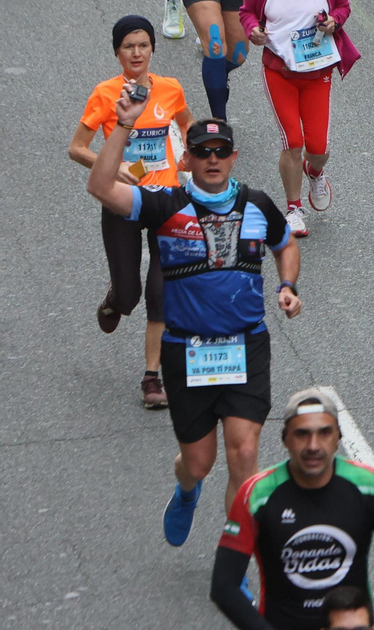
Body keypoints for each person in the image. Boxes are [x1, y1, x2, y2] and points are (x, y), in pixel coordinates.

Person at [87, 110, 300, 547]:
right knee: (198, 463)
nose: (213, 159)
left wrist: (288, 285)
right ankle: (187, 491)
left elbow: (285, 243)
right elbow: (101, 187)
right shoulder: (164, 202)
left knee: (243, 452)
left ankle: (237, 555)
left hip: (246, 345)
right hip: (187, 350)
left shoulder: (257, 203)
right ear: (188, 158)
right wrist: (124, 125)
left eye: (221, 152)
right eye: (202, 152)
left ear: (234, 157)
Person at [211, 390, 374, 630]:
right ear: (285, 439)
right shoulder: (257, 494)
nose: (313, 446)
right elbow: (224, 585)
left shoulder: (370, 486)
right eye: (302, 434)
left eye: (324, 433)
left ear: (338, 438)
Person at [70, 15, 192, 408]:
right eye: (128, 46)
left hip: (168, 198)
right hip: (122, 197)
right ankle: (114, 300)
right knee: (131, 294)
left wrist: (192, 155)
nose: (137, 53)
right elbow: (78, 147)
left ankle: (152, 380)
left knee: (161, 293)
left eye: (143, 45)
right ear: (117, 52)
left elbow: (187, 126)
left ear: (153, 48)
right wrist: (112, 165)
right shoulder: (106, 93)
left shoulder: (170, 88)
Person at [241, 0, 359, 238]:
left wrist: (335, 20)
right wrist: (254, 30)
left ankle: (314, 172)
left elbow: (343, 7)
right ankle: (293, 208)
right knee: (292, 141)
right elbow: (248, 12)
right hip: (278, 69)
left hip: (317, 70)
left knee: (318, 147)